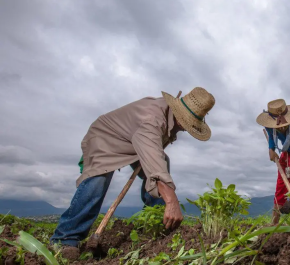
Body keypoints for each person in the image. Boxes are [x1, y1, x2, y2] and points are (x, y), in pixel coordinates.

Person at [50, 87, 215, 259]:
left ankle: (154, 226)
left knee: (163, 162)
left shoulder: (168, 117)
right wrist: (172, 200)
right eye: (188, 124)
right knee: (98, 180)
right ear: (181, 118)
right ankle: (65, 239)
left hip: (133, 141)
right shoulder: (152, 119)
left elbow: (155, 157)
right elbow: (155, 164)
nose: (187, 129)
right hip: (104, 138)